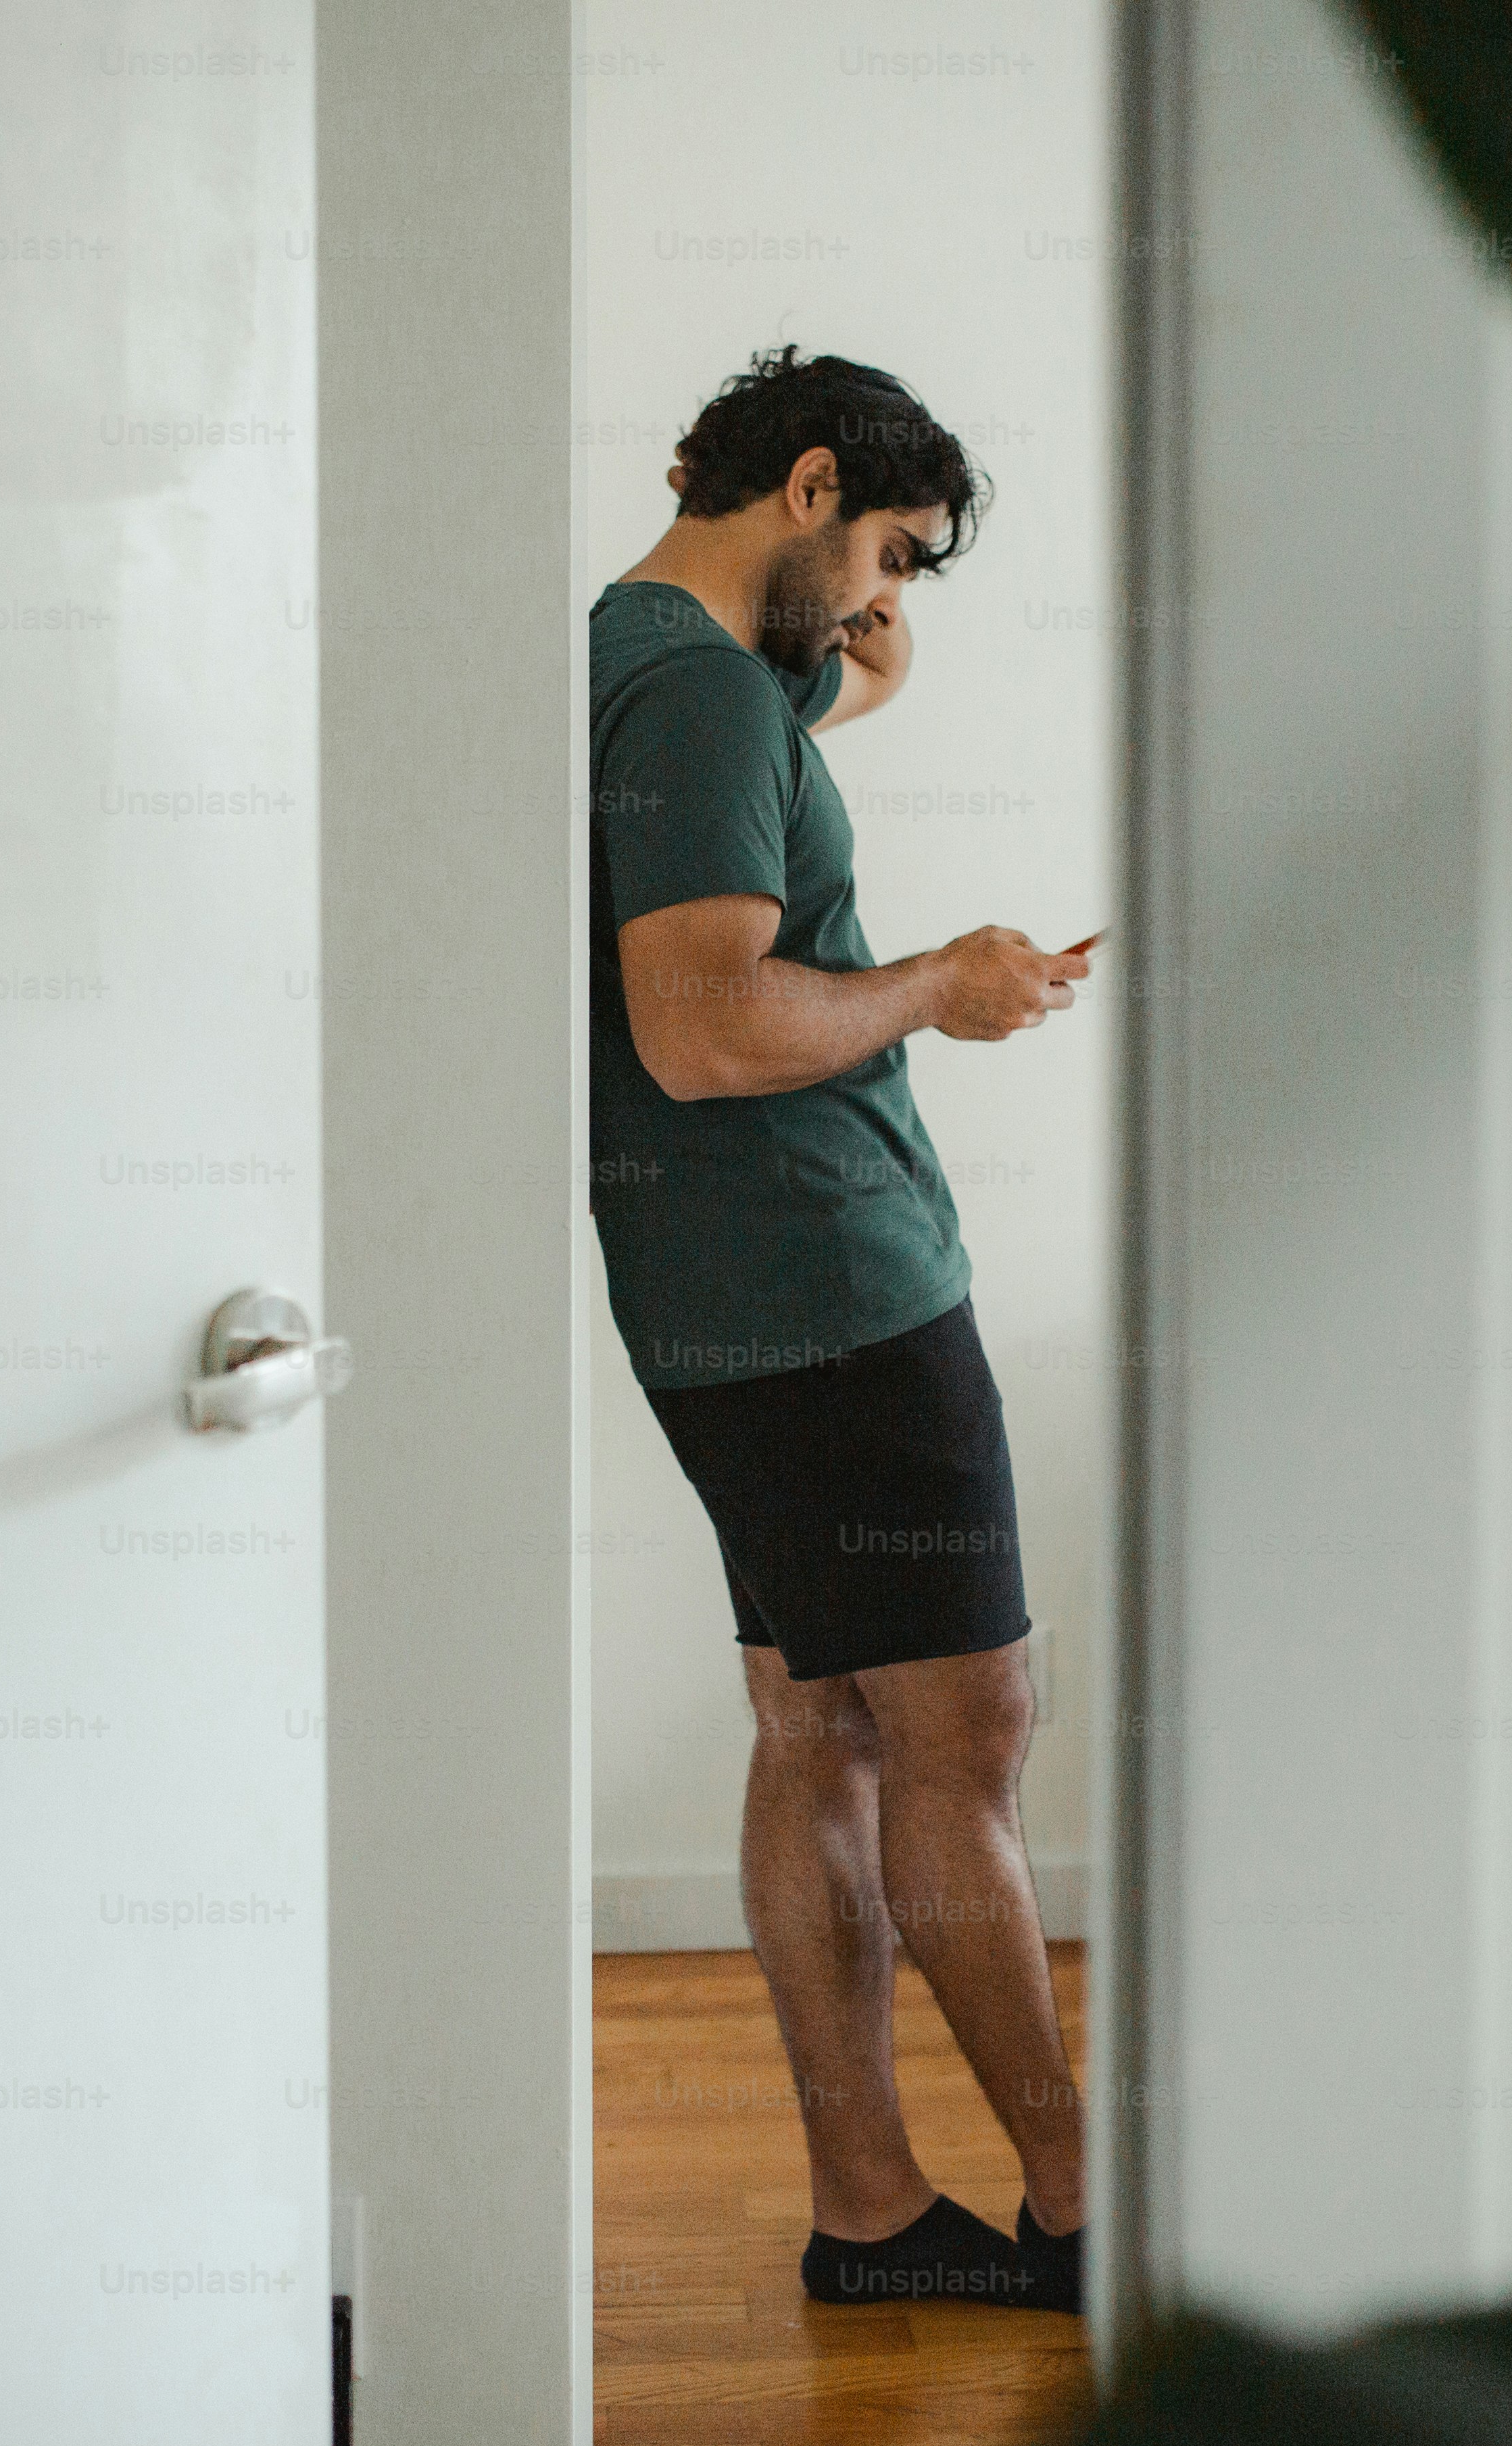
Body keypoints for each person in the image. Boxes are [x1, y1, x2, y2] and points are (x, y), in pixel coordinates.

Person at [587, 345, 1094, 2313]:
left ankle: (873, 2210)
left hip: (723, 1297)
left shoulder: (643, 655)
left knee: (816, 1726)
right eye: (883, 542)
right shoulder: (702, 699)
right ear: (804, 487)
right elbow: (703, 1028)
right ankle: (1081, 2213)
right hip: (829, 1284)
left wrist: (869, 612)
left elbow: (847, 675)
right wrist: (936, 985)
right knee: (965, 1732)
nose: (891, 599)